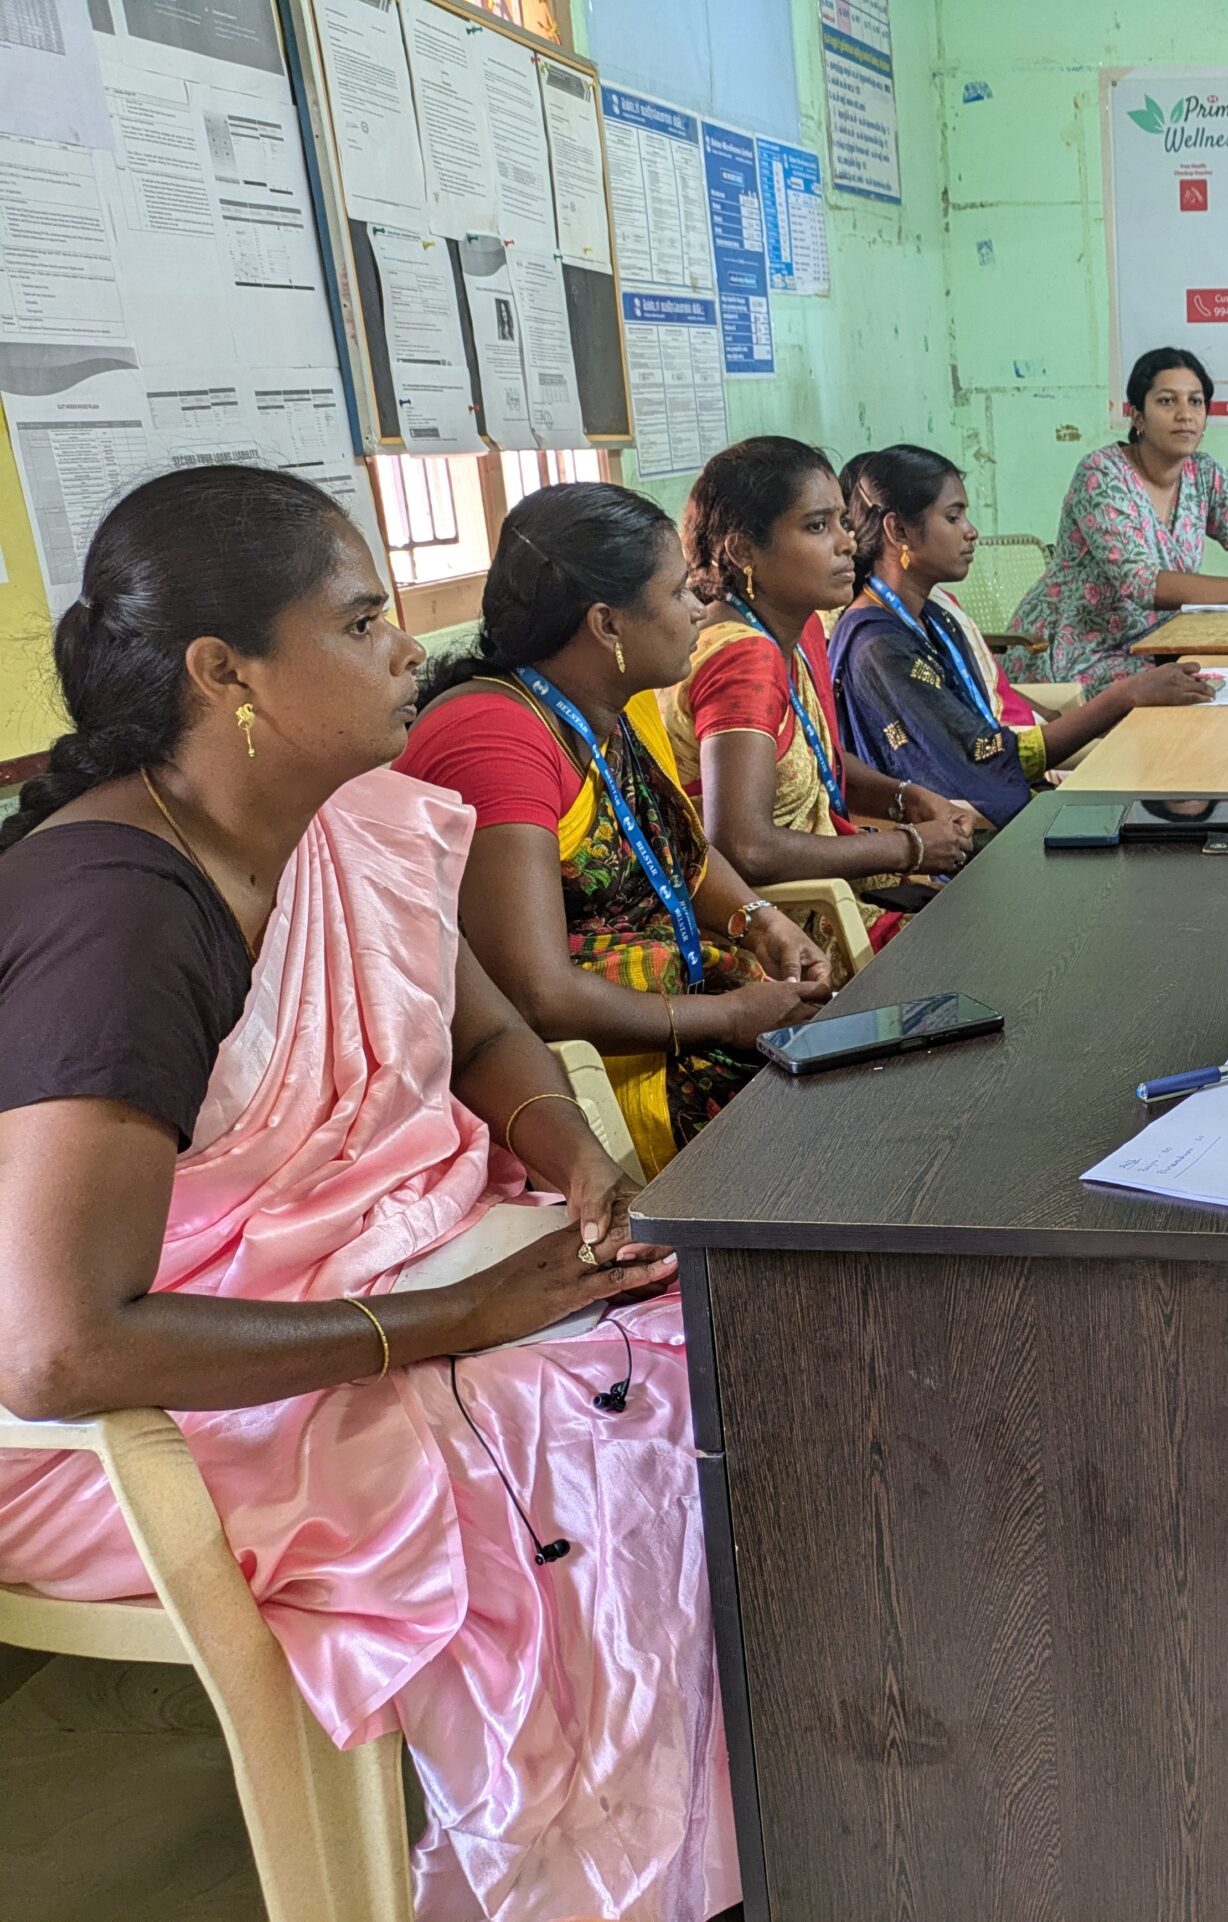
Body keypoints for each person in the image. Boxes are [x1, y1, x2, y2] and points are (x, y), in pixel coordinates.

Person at [0, 464, 737, 1922]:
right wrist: (452, 1318)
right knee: (568, 1446)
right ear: (228, 674)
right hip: (128, 1424)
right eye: (361, 620)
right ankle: (576, 1878)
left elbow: (479, 1034)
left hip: (353, 1286)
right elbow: (59, 1347)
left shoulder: (347, 818)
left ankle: (705, 1834)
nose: (411, 647)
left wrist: (576, 1154)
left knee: (693, 1341)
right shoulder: (120, 916)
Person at [396, 482, 833, 1177]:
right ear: (606, 624)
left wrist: (761, 921)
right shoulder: (492, 735)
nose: (698, 611)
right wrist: (727, 1019)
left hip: (687, 1022)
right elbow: (538, 993)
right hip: (603, 1079)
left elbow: (674, 849)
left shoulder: (606, 705)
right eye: (679, 594)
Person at [661, 436, 980, 914]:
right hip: (787, 927)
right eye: (816, 526)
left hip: (836, 894)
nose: (847, 543)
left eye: (843, 523)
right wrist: (909, 846)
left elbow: (813, 758)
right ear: (744, 550)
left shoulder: (801, 624)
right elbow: (743, 847)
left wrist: (906, 797)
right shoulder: (740, 656)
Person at [837, 443, 1216, 826]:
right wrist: (1125, 695)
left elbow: (984, 745)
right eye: (953, 517)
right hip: (964, 838)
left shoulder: (933, 616)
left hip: (998, 803)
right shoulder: (880, 646)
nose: (971, 532)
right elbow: (984, 762)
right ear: (898, 530)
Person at [1012, 347, 1228, 689]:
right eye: (1167, 401)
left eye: (1195, 402)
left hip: (1156, 649)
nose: (1185, 414)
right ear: (1137, 417)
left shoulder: (1204, 475)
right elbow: (1141, 582)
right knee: (1211, 695)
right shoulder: (1101, 474)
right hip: (1072, 658)